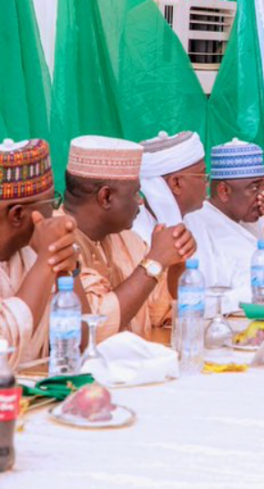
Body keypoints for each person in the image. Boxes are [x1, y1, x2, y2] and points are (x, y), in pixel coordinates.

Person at [62, 136, 194, 342]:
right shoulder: (56, 244)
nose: (140, 201)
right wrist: (156, 261)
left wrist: (177, 264)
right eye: (134, 193)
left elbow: (161, 313)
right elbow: (93, 328)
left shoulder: (126, 239)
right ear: (106, 197)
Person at [186, 139, 264, 311]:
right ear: (224, 191)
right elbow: (202, 300)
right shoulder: (197, 223)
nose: (263, 196)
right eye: (254, 188)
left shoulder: (257, 219)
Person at [0, 139, 79, 366]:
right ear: (17, 214)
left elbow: (79, 341)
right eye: (52, 202)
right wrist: (49, 259)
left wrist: (66, 267)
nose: (54, 212)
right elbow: (3, 347)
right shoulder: (40, 256)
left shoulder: (28, 252)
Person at [132, 131, 207, 245]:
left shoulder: (195, 221)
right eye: (202, 175)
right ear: (176, 184)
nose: (207, 183)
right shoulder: (136, 236)